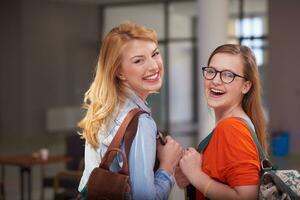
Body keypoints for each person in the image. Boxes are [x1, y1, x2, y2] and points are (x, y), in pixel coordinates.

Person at [77, 21, 183, 200]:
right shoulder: (140, 121)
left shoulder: (103, 108)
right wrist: (167, 166)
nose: (154, 66)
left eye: (154, 54)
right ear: (119, 72)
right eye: (138, 60)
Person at [175, 44, 268, 200]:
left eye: (228, 75)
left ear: (246, 86)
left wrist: (196, 175)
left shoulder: (232, 129)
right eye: (211, 72)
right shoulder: (231, 125)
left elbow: (246, 197)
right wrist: (189, 176)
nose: (216, 81)